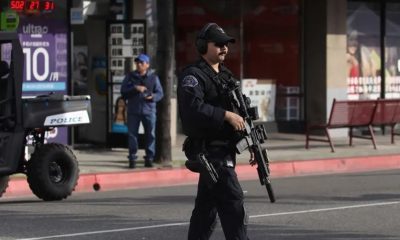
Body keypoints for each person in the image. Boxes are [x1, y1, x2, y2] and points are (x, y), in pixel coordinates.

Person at [177, 23, 251, 240]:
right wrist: (225, 115)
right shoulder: (194, 76)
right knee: (233, 202)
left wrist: (251, 141)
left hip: (226, 150)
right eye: (218, 44)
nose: (224, 48)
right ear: (202, 46)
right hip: (211, 152)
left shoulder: (226, 77)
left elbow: (242, 110)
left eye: (226, 44)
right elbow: (193, 109)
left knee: (206, 211)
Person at [121, 53, 164, 168]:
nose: (139, 64)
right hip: (133, 111)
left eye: (142, 62)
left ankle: (149, 158)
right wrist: (135, 88)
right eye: (137, 62)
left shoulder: (153, 77)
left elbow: (160, 93)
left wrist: (153, 97)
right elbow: (123, 91)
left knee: (150, 135)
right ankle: (132, 158)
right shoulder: (130, 76)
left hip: (149, 111)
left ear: (147, 65)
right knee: (132, 135)